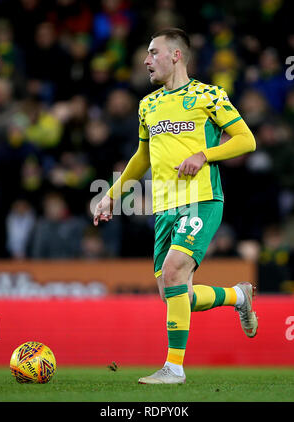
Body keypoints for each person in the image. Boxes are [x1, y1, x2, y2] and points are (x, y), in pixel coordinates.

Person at [93, 28, 258, 384]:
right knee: (174, 292)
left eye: (153, 53)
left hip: (201, 201)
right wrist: (111, 194)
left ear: (176, 56)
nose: (146, 60)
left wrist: (205, 154)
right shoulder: (148, 105)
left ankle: (174, 368)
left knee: (173, 274)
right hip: (165, 209)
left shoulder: (208, 96)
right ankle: (238, 296)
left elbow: (247, 139)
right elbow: (142, 157)